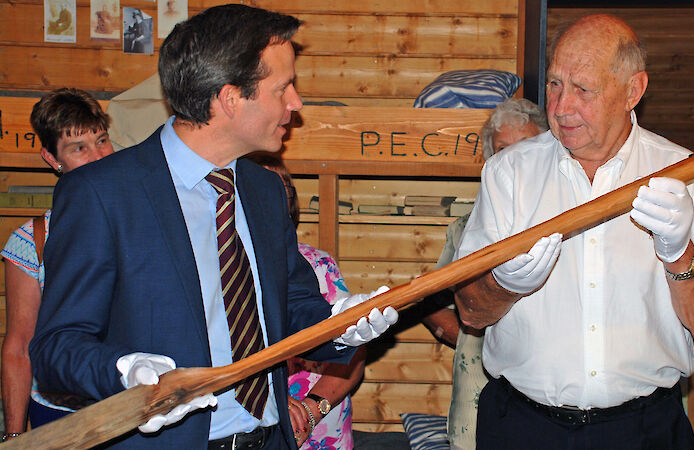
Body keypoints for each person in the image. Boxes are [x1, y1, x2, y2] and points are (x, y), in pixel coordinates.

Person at [29, 5, 397, 449]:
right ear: (229, 98)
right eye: (283, 88)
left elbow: (295, 310)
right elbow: (56, 348)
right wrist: (124, 371)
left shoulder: (263, 189)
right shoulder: (102, 192)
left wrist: (342, 325)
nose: (296, 103)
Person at [453, 14, 694, 449]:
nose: (560, 107)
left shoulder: (685, 175)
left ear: (633, 91)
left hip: (644, 430)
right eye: (554, 84)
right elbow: (471, 312)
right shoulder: (509, 172)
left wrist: (679, 254)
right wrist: (506, 284)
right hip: (522, 427)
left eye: (583, 89)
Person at [418, 98, 547, 450]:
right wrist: (464, 335)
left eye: (525, 146)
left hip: (548, 399)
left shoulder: (571, 222)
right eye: (503, 149)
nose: (513, 158)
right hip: (478, 389)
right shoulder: (466, 227)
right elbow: (426, 298)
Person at [0, 88, 114, 442]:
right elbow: (19, 346)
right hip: (58, 413)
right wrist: (16, 436)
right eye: (79, 148)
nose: (98, 156)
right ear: (52, 159)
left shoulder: (142, 225)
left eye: (102, 140)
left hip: (129, 407)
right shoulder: (31, 240)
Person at [260, 156, 366, 449]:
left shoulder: (320, 265)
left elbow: (353, 355)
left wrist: (309, 410)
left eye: (283, 190)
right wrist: (276, 404)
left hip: (320, 427)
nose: (273, 199)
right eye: (263, 187)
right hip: (255, 426)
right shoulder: (221, 266)